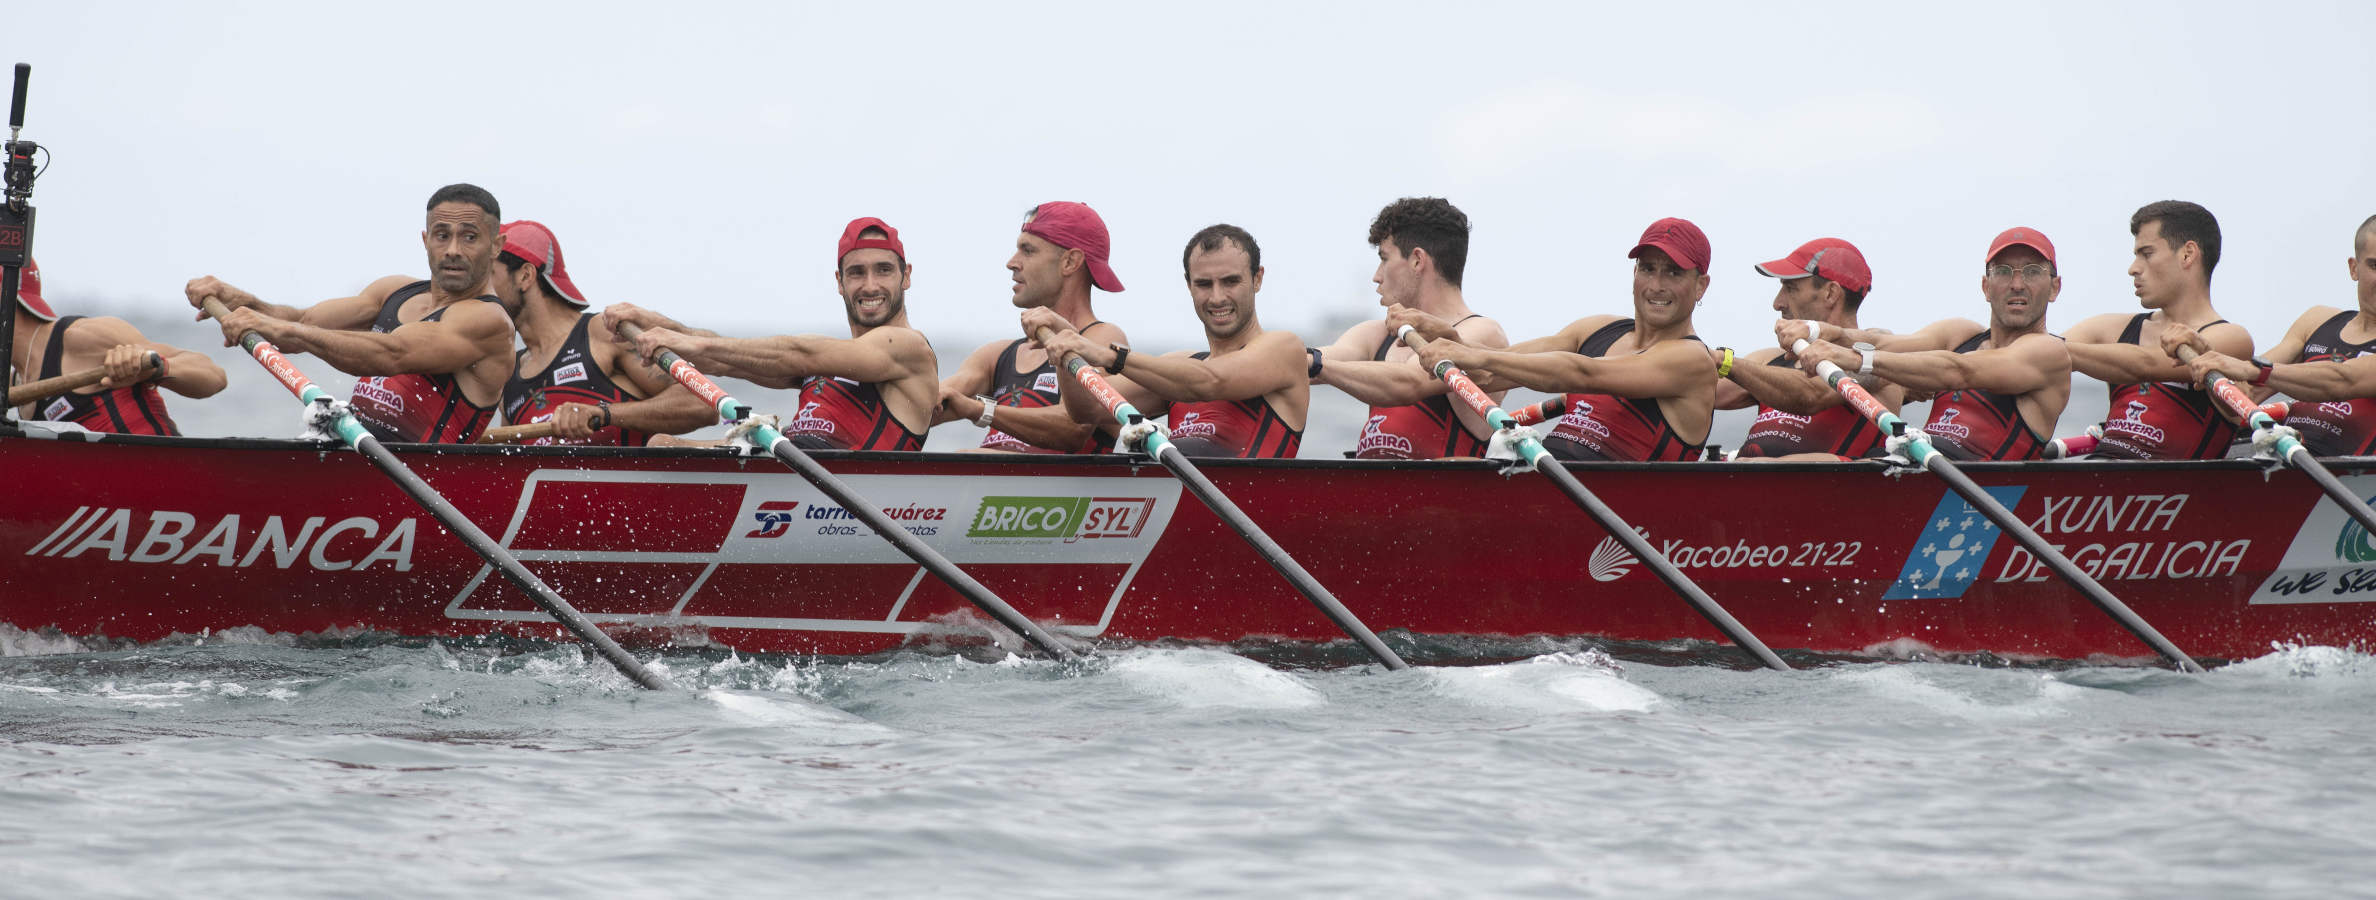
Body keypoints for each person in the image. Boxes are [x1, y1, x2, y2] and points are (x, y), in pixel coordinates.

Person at [186, 183, 517, 443]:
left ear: (496, 246)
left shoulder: (487, 321)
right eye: (442, 236)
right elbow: (303, 324)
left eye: (469, 237)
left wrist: (280, 330)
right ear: (425, 239)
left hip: (416, 480)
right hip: (355, 458)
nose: (453, 250)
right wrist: (242, 301)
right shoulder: (393, 290)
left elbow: (391, 354)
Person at [598, 216, 937, 451]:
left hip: (834, 496)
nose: (870, 285)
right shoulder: (836, 362)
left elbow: (799, 353)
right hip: (791, 465)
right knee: (660, 444)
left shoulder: (908, 348)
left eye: (884, 271)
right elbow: (735, 360)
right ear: (840, 282)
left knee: (664, 448)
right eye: (857, 273)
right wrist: (657, 324)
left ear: (906, 276)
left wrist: (689, 344)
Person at [1411, 217, 1715, 462]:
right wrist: (1449, 337)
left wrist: (1478, 356)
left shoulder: (1691, 360)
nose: (1657, 285)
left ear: (1700, 286)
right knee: (1449, 468)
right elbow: (1493, 372)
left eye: (1673, 273)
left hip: (1616, 517)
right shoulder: (1596, 329)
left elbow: (1583, 373)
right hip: (1552, 489)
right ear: (1634, 273)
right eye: (1648, 269)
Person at [1791, 227, 2072, 461]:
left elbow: (1960, 371)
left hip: (1972, 489)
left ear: (2055, 288)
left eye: (2033, 272)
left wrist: (1856, 359)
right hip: (1920, 466)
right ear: (1986, 287)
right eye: (2004, 272)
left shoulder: (2048, 352)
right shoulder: (1961, 333)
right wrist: (1817, 330)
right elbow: (1883, 342)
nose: (2017, 284)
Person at [1026, 224, 1307, 458]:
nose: (1218, 297)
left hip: (1247, 513)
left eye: (1231, 281)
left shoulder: (1283, 349)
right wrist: (1066, 347)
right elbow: (1086, 409)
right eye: (1204, 284)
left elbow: (1210, 382)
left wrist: (1112, 357)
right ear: (1189, 285)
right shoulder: (1178, 367)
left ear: (1257, 280)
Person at [1312, 197, 1509, 459]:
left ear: (1417, 260)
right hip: (1374, 495)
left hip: (1442, 496)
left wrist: (1315, 366)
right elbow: (1305, 365)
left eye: (1384, 259)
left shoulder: (1481, 334)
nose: (1376, 275)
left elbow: (1409, 382)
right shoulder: (1375, 335)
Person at [490, 221, 713, 446]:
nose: (479, 292)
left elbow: (703, 402)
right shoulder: (508, 376)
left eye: (488, 275)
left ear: (525, 276)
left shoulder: (604, 334)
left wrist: (605, 414)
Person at [2058, 201, 2251, 458]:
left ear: (2187, 254)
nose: (2133, 268)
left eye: (2146, 254)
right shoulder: (2109, 328)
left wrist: (2053, 352)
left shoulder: (2230, 338)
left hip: (2174, 490)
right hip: (2100, 476)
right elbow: (2031, 357)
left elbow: (2145, 363)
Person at [2171, 213, 2376, 454]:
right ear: (2354, 268)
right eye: (2375, 266)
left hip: (2352, 483)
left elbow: (2343, 380)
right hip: (2286, 470)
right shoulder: (2317, 320)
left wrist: (2254, 369)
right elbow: (2242, 399)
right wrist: (2206, 357)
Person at [936, 202, 1131, 453]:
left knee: (964, 458)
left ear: (1070, 262)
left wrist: (979, 410)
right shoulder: (995, 356)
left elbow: (1073, 428)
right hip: (987, 487)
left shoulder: (1103, 340)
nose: (1011, 262)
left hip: (1057, 491)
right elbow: (928, 406)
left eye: (1027, 250)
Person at [1719, 237, 1896, 460]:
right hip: (1748, 484)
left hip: (1830, 489)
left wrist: (1723, 361)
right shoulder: (1769, 359)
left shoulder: (1876, 357)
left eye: (1790, 288)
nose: (1777, 303)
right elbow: (1701, 389)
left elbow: (1811, 394)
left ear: (1831, 294)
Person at [9, 258, 225, 433]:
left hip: (165, 476)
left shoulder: (81, 338)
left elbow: (213, 376)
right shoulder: (15, 382)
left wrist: (156, 368)